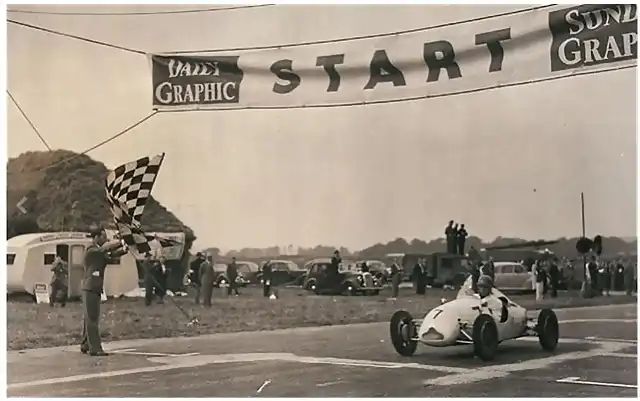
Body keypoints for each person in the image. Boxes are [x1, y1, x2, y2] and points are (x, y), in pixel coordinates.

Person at [81, 227, 127, 356]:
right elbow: (105, 249)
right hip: (90, 287)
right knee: (92, 318)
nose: (105, 238)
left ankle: (85, 344)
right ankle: (95, 348)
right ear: (96, 237)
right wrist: (121, 242)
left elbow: (112, 255)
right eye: (103, 236)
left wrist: (125, 249)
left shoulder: (98, 252)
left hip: (93, 287)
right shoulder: (91, 249)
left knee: (89, 317)